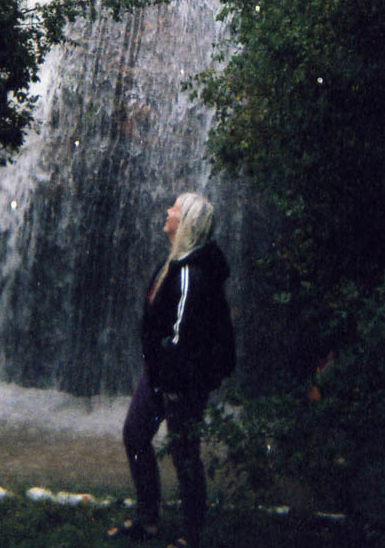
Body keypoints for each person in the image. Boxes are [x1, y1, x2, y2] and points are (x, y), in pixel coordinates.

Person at [108, 192, 235, 548]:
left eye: (175, 209)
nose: (167, 212)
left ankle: (191, 537)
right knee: (135, 436)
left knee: (184, 454)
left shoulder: (190, 273)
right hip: (161, 375)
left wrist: (172, 383)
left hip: (181, 381)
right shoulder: (178, 264)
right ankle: (148, 522)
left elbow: (182, 338)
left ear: (187, 223)